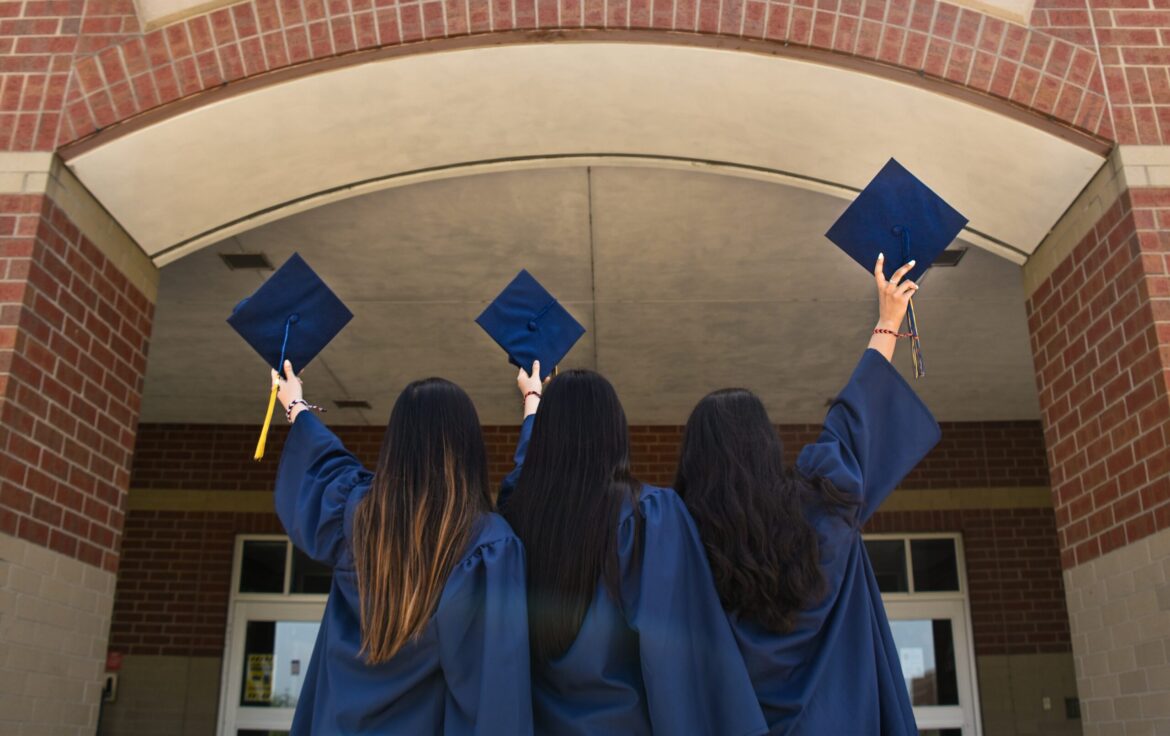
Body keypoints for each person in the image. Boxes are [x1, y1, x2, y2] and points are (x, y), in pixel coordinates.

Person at [674, 255, 941, 735]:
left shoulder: (681, 543)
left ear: (695, 462)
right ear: (767, 445)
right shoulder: (822, 507)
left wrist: (536, 407)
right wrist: (888, 319)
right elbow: (854, 419)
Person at [500, 361, 767, 736]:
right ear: (614, 432)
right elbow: (673, 658)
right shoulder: (648, 516)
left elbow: (522, 476)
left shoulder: (515, 522)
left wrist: (533, 403)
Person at [271, 362, 533, 735]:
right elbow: (494, 693)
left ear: (396, 443)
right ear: (470, 446)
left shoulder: (356, 517)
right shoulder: (485, 545)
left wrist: (295, 405)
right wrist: (532, 404)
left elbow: (324, 464)